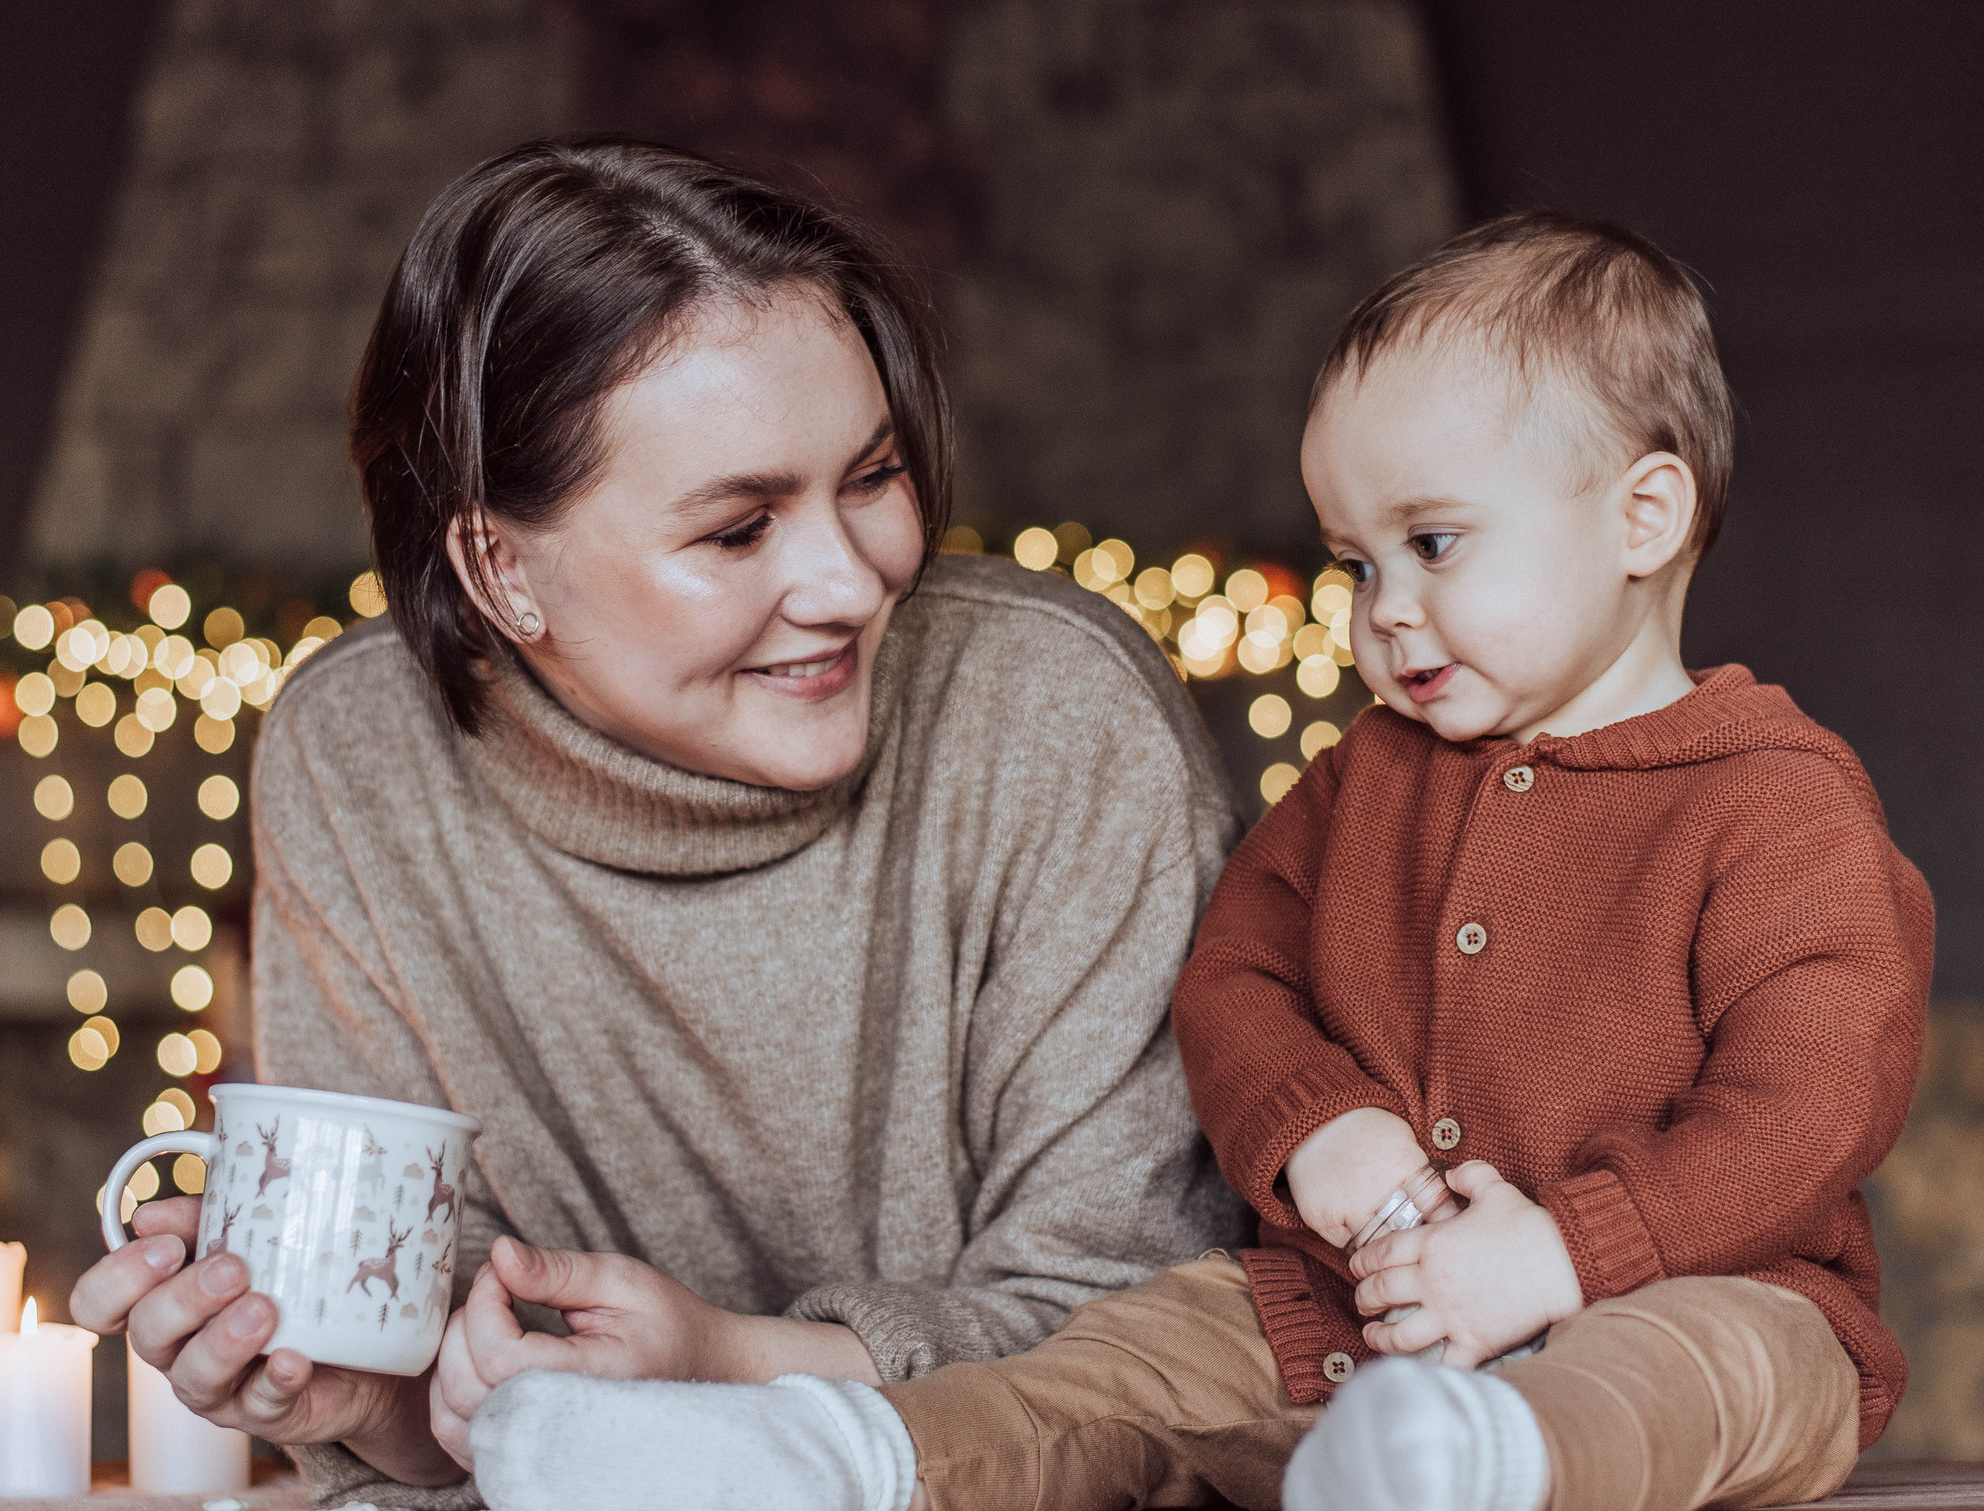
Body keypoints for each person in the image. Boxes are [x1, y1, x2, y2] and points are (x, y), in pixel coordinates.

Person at [458, 212, 1933, 1511]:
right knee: (1112, 1368)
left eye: (1433, 543)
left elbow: (1813, 1094)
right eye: (1357, 562)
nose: (1385, 613)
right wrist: (1318, 1127)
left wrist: (1570, 1254)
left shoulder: (1775, 800)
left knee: (1716, 1376)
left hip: (1700, 1283)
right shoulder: (1368, 776)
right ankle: (831, 1462)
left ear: (1643, 517)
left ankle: (1485, 1466)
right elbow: (1236, 970)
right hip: (1340, 1307)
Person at [65, 137, 1246, 1505]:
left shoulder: (1056, 711)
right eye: (740, 529)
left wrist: (737, 1368)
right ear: (501, 565)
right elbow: (454, 1411)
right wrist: (372, 1393)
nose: (851, 582)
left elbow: (1158, 1339)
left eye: (871, 476)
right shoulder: (355, 752)